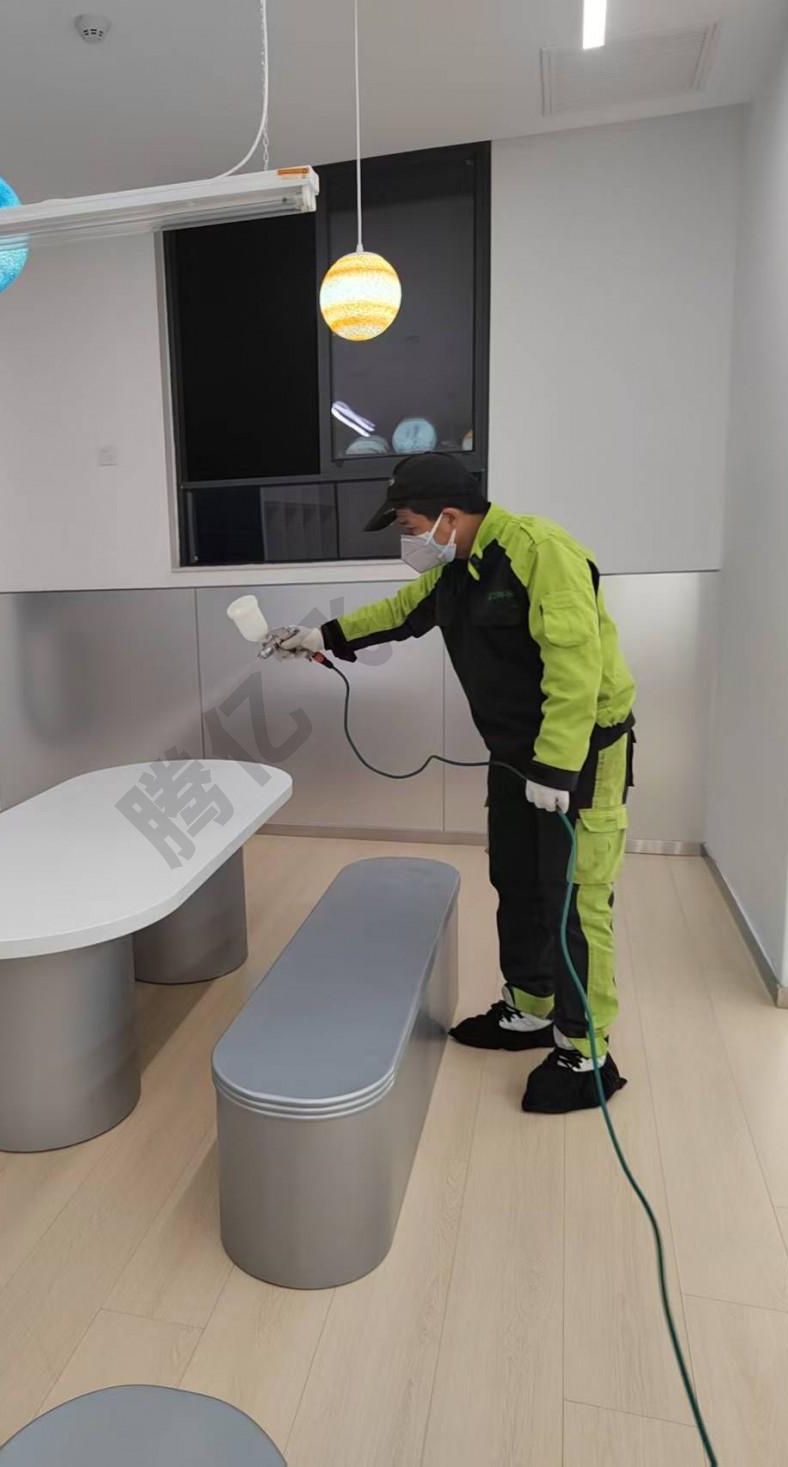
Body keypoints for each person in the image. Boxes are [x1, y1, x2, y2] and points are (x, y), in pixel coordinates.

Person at [275, 452, 635, 1114]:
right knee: (517, 878)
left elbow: (575, 666)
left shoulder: (540, 553)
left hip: (581, 753)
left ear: (448, 516)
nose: (407, 541)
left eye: (410, 527)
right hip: (514, 754)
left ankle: (586, 1050)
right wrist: (319, 635)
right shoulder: (454, 570)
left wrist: (557, 767)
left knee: (574, 898)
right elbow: (399, 611)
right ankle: (530, 1007)